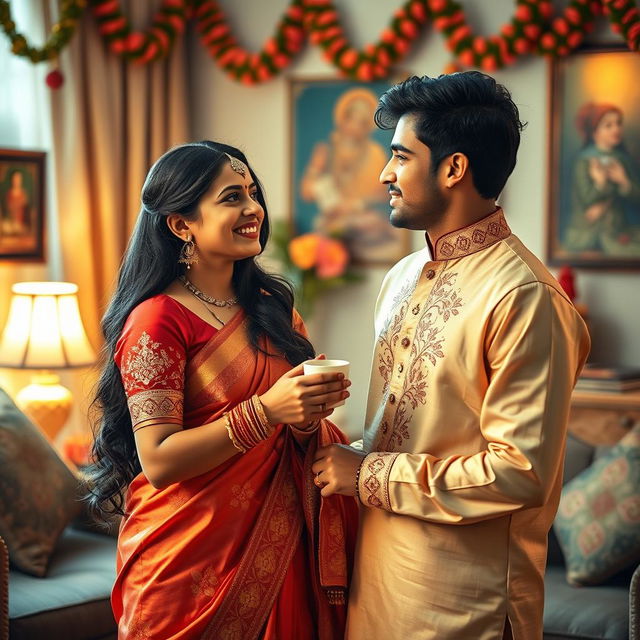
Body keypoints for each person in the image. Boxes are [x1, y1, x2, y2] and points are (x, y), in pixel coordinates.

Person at [312, 73, 590, 639]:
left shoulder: (524, 298)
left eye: (399, 157)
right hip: (377, 588)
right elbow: (408, 432)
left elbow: (520, 472)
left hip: (467, 607)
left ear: (453, 168)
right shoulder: (402, 276)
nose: (385, 174)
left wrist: (367, 474)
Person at [87, 141, 359, 640]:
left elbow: (289, 435)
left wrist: (306, 417)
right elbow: (160, 460)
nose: (253, 209)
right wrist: (267, 411)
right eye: (232, 197)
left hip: (279, 547)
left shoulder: (271, 307)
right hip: (186, 561)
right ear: (180, 224)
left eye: (252, 193)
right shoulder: (155, 321)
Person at [300, 87, 405, 262]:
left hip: (363, 217)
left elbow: (381, 195)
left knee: (371, 224)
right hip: (331, 219)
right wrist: (315, 171)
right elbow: (307, 193)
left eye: (362, 122)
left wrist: (354, 205)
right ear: (342, 119)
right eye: (351, 119)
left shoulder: (375, 153)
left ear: (368, 127)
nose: (355, 126)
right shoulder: (326, 151)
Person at [565, 101, 640, 255]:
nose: (616, 129)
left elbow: (636, 200)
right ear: (595, 132)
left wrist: (624, 181)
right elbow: (586, 200)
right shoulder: (584, 161)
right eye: (609, 125)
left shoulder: (623, 160)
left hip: (619, 228)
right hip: (591, 231)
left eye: (618, 124)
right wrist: (601, 183)